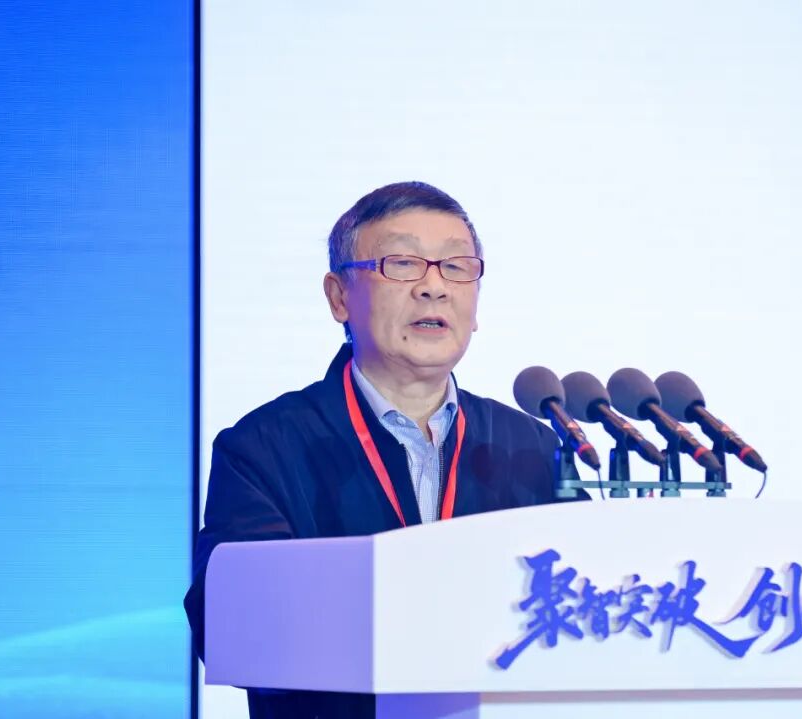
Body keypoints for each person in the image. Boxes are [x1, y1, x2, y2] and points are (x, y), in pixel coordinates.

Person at [184, 181, 578, 718]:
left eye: (456, 267)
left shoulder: (529, 446)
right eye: (403, 264)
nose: (434, 287)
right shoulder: (264, 447)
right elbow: (228, 625)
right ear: (339, 297)